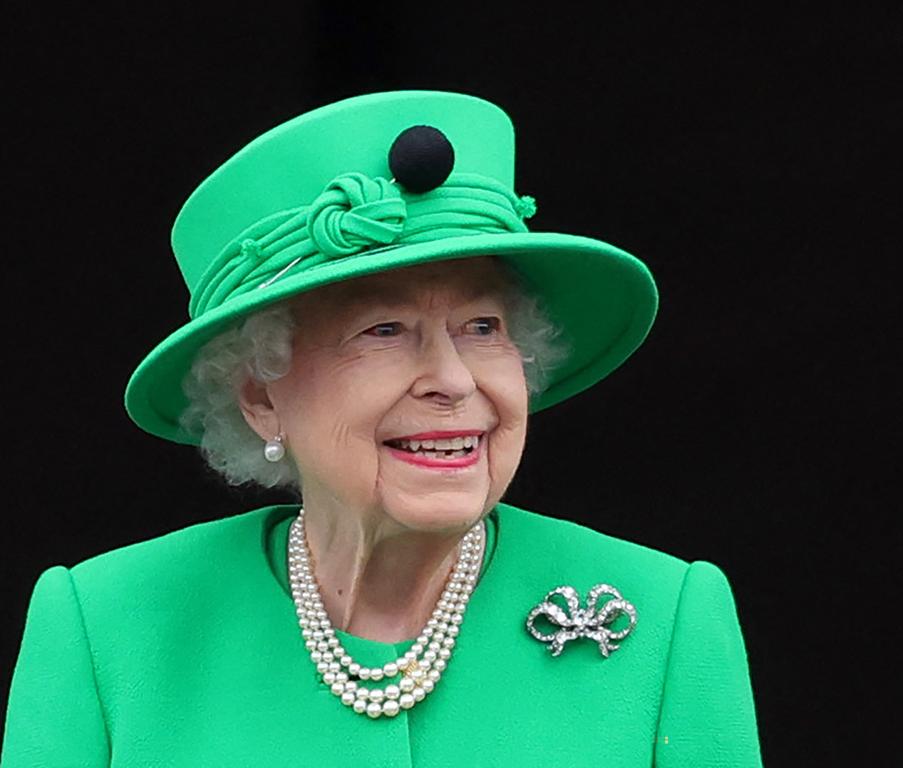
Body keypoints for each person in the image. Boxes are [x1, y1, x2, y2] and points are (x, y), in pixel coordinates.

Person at [1, 90, 763, 766]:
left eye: (483, 325)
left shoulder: (664, 618)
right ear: (260, 398)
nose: (456, 381)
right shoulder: (104, 629)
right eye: (385, 330)